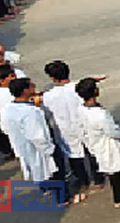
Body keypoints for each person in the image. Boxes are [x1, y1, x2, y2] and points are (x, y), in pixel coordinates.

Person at [42, 60, 103, 203]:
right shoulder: (78, 88)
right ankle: (98, 179)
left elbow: (46, 113)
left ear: (52, 78)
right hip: (84, 124)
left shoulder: (48, 96)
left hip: (66, 129)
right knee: (92, 151)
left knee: (74, 156)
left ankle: (83, 181)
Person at [76, 78, 120, 207]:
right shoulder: (100, 115)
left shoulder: (81, 109)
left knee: (111, 168)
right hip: (108, 144)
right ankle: (119, 198)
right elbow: (112, 131)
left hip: (95, 142)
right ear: (96, 91)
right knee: (116, 169)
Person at [1, 78, 57, 183]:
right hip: (39, 150)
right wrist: (50, 149)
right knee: (50, 175)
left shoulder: (7, 109)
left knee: (37, 174)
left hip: (23, 148)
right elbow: (37, 136)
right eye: (31, 85)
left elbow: (5, 129)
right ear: (25, 91)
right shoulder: (30, 112)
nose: (34, 86)